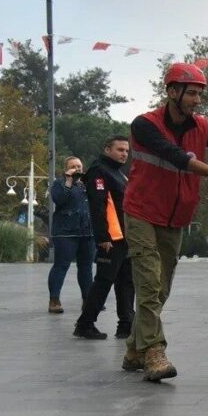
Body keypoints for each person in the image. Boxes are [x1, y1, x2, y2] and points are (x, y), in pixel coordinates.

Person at [121, 62, 208, 382]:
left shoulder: (204, 127)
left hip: (176, 217)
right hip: (141, 212)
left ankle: (134, 348)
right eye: (192, 93)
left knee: (161, 287)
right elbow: (178, 157)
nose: (197, 100)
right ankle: (154, 352)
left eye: (200, 94)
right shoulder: (145, 124)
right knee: (149, 282)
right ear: (172, 92)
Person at [72, 137, 133, 339]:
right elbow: (98, 207)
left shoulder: (117, 172)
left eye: (126, 150)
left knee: (126, 281)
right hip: (111, 238)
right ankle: (85, 324)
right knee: (103, 281)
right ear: (107, 150)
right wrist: (103, 236)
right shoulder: (99, 171)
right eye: (120, 149)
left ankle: (126, 324)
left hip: (124, 238)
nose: (124, 153)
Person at [48, 156, 95, 314]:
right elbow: (59, 200)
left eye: (79, 166)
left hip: (87, 233)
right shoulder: (59, 184)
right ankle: (54, 300)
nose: (77, 169)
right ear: (66, 169)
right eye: (73, 166)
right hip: (65, 233)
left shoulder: (86, 185)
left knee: (86, 268)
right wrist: (68, 182)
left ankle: (88, 300)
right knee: (61, 266)